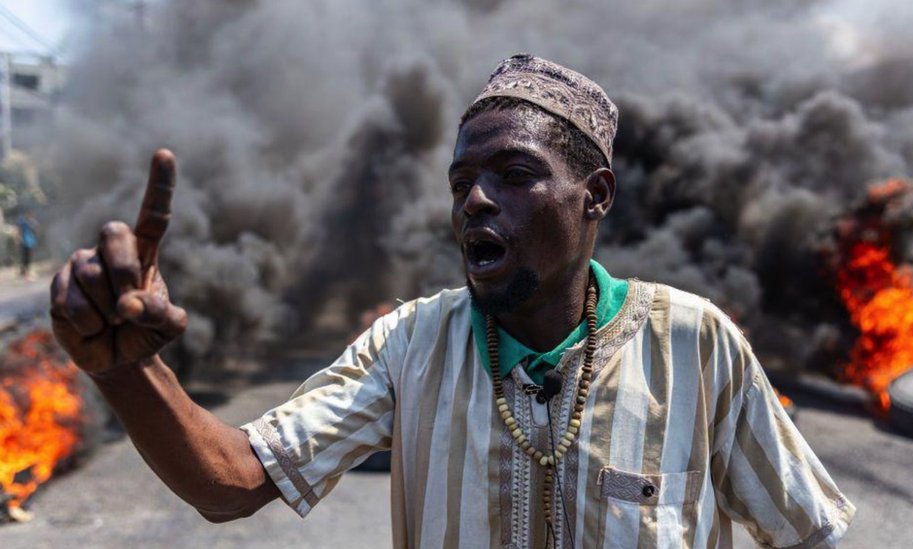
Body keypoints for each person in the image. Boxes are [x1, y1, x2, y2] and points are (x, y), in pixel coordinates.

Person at [49, 54, 854, 548]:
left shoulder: (695, 344)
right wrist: (130, 373)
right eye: (462, 182)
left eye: (512, 175)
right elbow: (231, 481)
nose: (475, 201)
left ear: (595, 194)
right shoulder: (411, 345)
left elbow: (809, 531)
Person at [16, 209, 38, 278]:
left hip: (31, 242)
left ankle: (27, 271)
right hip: (24, 242)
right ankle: (23, 271)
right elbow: (18, 230)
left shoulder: (33, 222)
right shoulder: (22, 222)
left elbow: (36, 231)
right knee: (24, 257)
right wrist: (18, 239)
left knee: (29, 257)